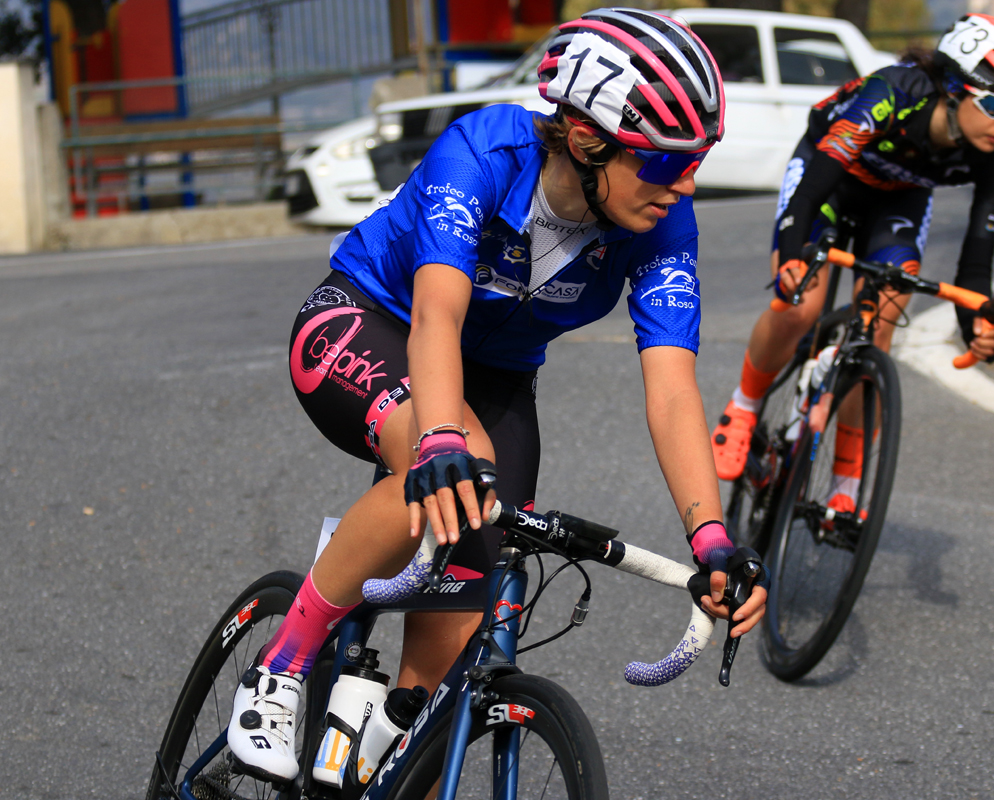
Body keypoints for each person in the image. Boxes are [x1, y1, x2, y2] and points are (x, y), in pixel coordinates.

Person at [225, 8, 768, 782]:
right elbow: (438, 314)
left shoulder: (661, 225)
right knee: (455, 456)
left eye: (696, 160)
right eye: (664, 161)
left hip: (497, 379)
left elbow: (674, 389)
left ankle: (369, 754)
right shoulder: (485, 151)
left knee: (451, 644)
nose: (685, 184)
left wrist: (711, 539)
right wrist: (441, 436)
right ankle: (280, 668)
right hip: (368, 320)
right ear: (588, 140)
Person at [710, 13, 994, 509]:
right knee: (803, 306)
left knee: (879, 326)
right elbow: (812, 189)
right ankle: (743, 405)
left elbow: (977, 260)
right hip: (829, 182)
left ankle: (847, 479)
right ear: (954, 89)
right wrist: (792, 256)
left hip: (897, 202)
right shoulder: (893, 92)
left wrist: (976, 322)